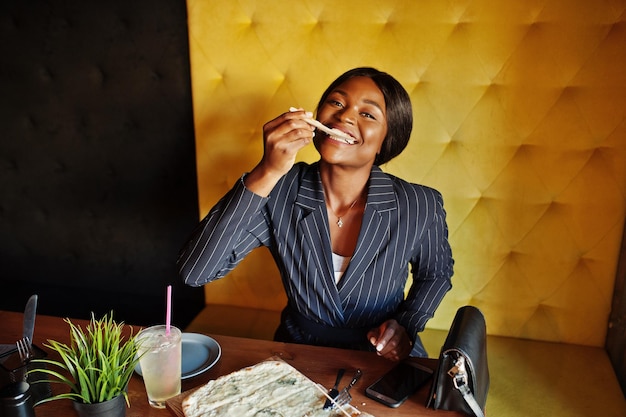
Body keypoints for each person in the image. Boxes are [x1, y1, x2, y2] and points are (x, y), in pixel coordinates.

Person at [178, 67, 454, 361]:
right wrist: (267, 171)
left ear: (388, 139)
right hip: (298, 352)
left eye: (368, 114)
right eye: (336, 102)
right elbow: (197, 272)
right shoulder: (278, 189)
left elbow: (436, 274)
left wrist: (407, 325)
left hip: (384, 359)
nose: (345, 116)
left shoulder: (420, 203)